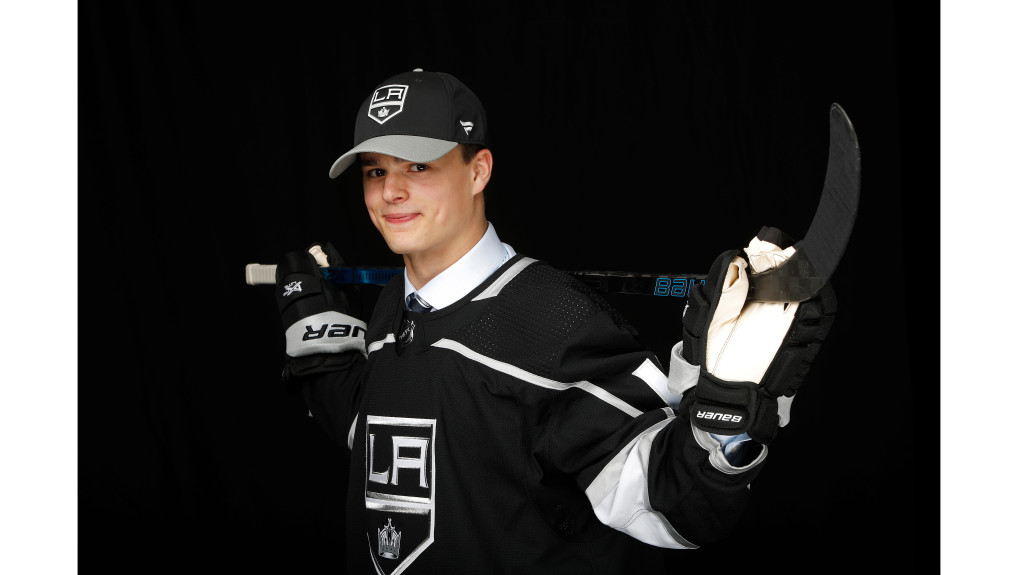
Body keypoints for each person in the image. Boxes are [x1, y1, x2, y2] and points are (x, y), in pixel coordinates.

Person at [272, 68, 837, 574]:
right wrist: (318, 341)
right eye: (375, 171)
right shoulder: (393, 311)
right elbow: (403, 443)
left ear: (478, 171)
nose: (390, 192)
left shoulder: (555, 322)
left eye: (418, 166)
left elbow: (673, 504)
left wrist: (724, 419)